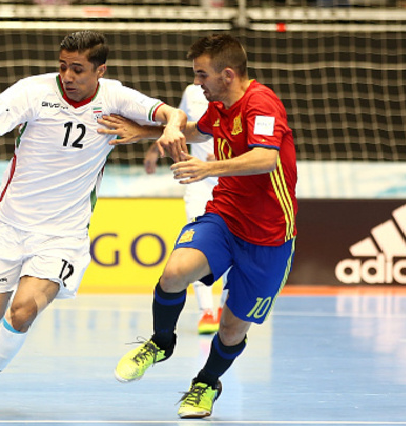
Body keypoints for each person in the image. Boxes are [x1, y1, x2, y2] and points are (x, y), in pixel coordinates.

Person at [0, 31, 187, 418]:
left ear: (100, 70)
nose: (67, 75)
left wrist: (167, 128)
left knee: (24, 310)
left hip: (64, 235)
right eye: (63, 65)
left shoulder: (115, 97)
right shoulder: (33, 92)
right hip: (11, 226)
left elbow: (172, 114)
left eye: (77, 69)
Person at [103, 33, 298, 419]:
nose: (197, 83)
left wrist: (207, 167)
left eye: (201, 75)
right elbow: (197, 131)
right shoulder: (221, 105)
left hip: (270, 237)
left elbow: (264, 159)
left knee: (230, 330)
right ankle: (161, 342)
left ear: (227, 74)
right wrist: (144, 133)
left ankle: (206, 384)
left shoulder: (261, 104)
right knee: (174, 273)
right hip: (225, 216)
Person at [143, 84, 222, 335]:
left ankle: (226, 309)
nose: (200, 79)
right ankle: (207, 312)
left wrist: (226, 157)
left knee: (235, 249)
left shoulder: (242, 99)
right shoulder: (192, 92)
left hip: (230, 182)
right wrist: (155, 149)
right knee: (196, 246)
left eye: (203, 72)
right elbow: (178, 128)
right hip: (197, 183)